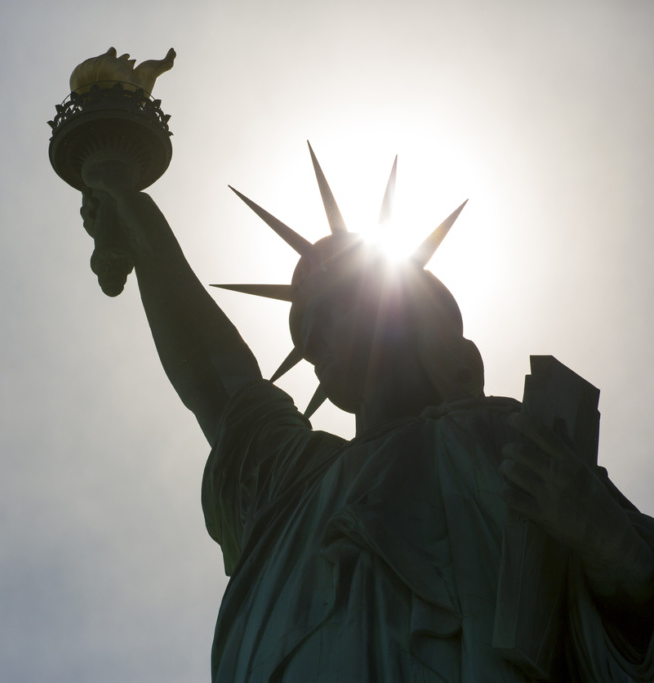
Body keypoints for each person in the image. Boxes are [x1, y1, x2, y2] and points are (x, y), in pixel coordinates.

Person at [80, 148, 654, 682]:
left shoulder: (497, 439)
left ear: (407, 314)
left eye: (332, 311)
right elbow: (218, 379)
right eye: (306, 331)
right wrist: (136, 215)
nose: (312, 342)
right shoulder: (292, 477)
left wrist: (603, 537)